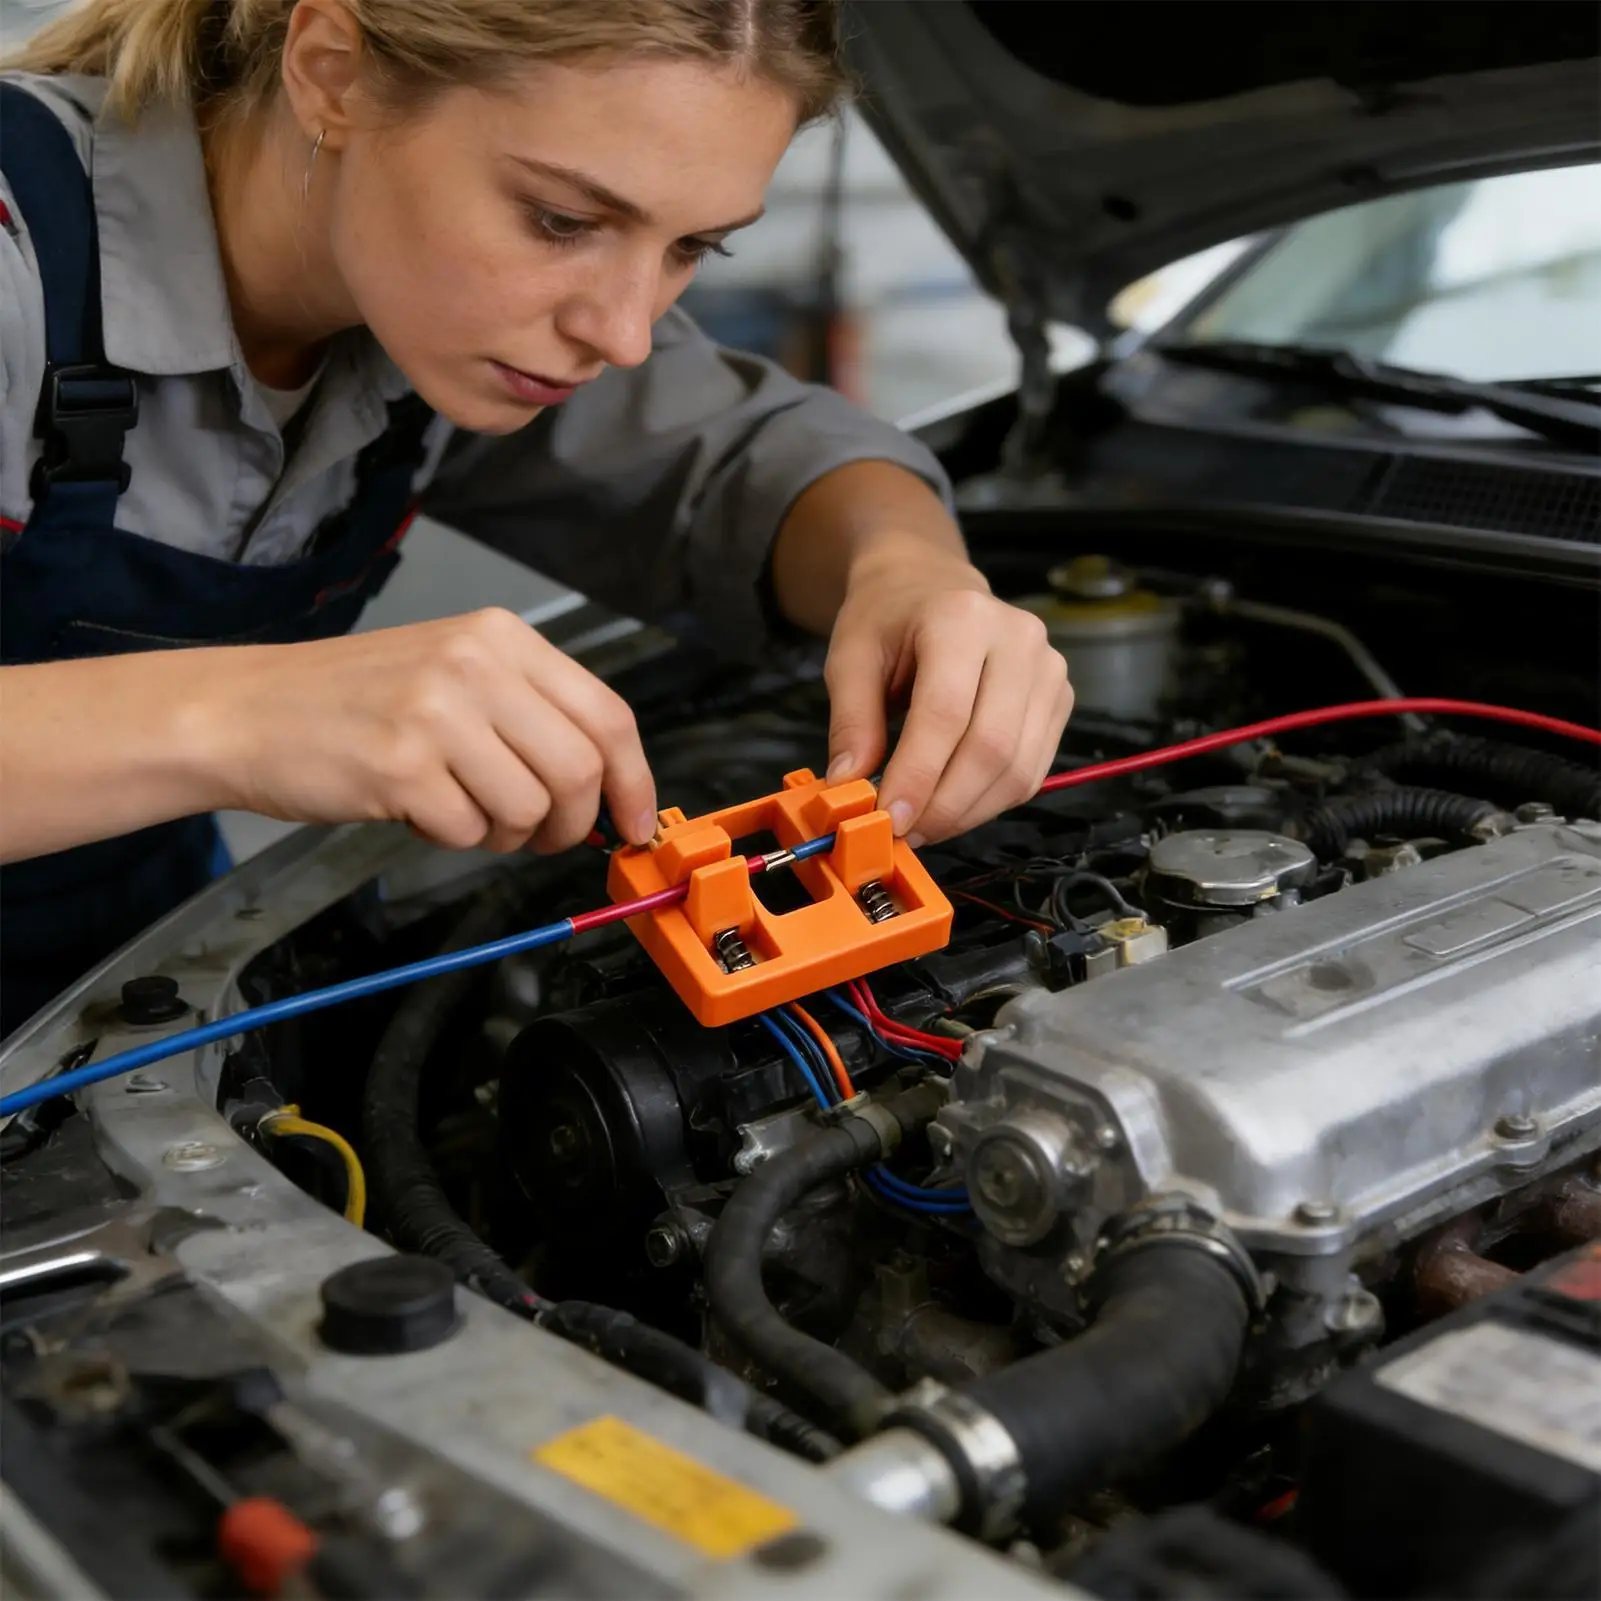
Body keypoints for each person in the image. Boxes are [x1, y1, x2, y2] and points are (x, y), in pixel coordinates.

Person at [0, 0, 1072, 1037]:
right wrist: (237, 717)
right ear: (330, 71)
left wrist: (907, 573)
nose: (622, 331)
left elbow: (751, 460)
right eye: (561, 220)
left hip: (116, 987)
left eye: (694, 247)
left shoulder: (426, 303)